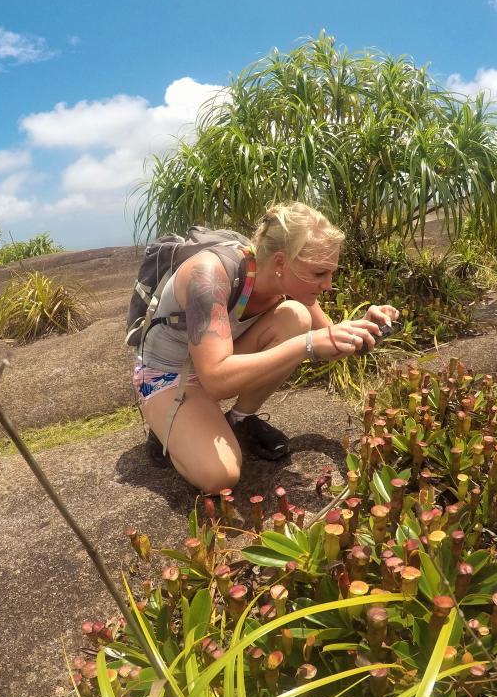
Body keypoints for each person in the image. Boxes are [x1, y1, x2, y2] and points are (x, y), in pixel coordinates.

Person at [133, 202, 399, 493]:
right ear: (281, 263)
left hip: (219, 362)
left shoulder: (288, 281)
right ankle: (164, 430)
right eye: (319, 273)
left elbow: (329, 341)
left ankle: (239, 420)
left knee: (296, 315)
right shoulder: (208, 276)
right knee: (219, 477)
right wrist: (305, 346)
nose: (327, 285)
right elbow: (216, 381)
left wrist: (366, 327)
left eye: (330, 273)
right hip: (170, 374)